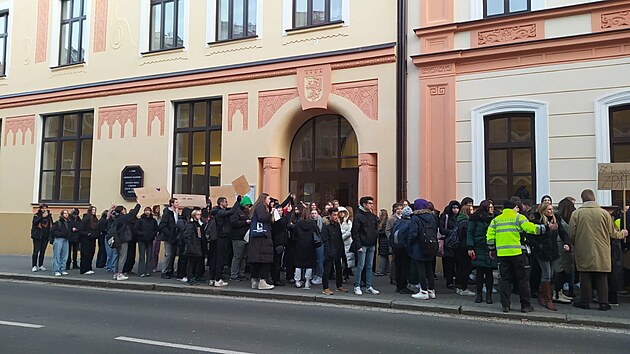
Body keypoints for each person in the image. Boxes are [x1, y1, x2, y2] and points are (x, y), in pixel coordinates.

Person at [568, 189, 627, 311]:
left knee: (585, 275)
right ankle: (603, 303)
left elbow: (571, 234)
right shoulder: (604, 213)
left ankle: (585, 301)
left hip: (583, 249)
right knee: (602, 276)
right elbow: (612, 233)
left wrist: (576, 244)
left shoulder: (577, 214)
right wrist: (623, 233)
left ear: (582, 199)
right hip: (602, 250)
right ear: (594, 198)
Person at [487, 200, 548, 313]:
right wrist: (545, 228)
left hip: (502, 254)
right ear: (514, 207)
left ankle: (505, 305)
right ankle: (525, 306)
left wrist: (492, 249)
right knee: (523, 280)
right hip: (518, 253)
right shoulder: (518, 218)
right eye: (517, 207)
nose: (518, 209)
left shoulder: (496, 220)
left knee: (504, 280)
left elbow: (490, 237)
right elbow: (530, 228)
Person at [530, 202, 571, 311]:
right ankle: (548, 299)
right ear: (543, 210)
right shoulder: (537, 220)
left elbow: (562, 232)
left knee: (552, 274)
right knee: (547, 274)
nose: (551, 211)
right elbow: (531, 236)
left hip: (553, 251)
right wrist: (537, 246)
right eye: (548, 209)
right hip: (542, 252)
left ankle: (543, 296)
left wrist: (566, 243)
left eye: (551, 209)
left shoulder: (556, 219)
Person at [467, 200, 497, 304]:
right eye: (490, 206)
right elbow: (470, 232)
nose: (492, 208)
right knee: (479, 273)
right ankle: (479, 295)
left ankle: (489, 296)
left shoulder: (494, 218)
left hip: (490, 247)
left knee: (489, 273)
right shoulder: (475, 218)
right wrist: (470, 247)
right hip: (478, 247)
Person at [409, 199, 437, 300]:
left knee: (421, 270)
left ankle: (423, 291)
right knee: (429, 270)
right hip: (431, 245)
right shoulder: (432, 217)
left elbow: (413, 233)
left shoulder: (415, 218)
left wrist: (410, 244)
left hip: (418, 246)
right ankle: (431, 290)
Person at [351, 196, 380, 296]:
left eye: (372, 203)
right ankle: (357, 286)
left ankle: (368, 286)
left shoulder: (372, 215)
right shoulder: (359, 216)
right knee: (361, 265)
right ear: (364, 204)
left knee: (369, 266)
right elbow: (355, 232)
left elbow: (375, 229)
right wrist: (358, 245)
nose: (372, 205)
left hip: (371, 244)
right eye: (370, 203)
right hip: (363, 244)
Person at [248, 193, 275, 290]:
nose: (269, 201)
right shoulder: (261, 207)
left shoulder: (257, 207)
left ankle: (255, 281)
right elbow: (262, 218)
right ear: (264, 199)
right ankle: (263, 281)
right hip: (262, 238)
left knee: (256, 261)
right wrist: (271, 213)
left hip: (257, 238)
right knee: (265, 260)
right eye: (268, 199)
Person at [209, 197, 239, 287]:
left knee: (214, 259)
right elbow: (230, 212)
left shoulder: (215, 211)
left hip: (215, 238)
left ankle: (212, 278)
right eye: (225, 202)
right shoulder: (220, 212)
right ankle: (218, 279)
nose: (227, 203)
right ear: (221, 203)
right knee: (220, 259)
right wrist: (238, 202)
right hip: (221, 237)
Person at [321, 208, 348, 294]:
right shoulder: (326, 226)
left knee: (339, 268)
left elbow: (339, 238)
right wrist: (329, 251)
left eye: (337, 215)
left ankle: (339, 285)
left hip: (338, 249)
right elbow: (325, 240)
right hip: (329, 250)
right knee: (327, 270)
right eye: (334, 215)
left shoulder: (337, 225)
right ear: (329, 215)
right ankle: (325, 288)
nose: (336, 217)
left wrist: (342, 250)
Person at [555, 197, 576, 302]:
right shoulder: (561, 220)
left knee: (564, 270)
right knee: (560, 270)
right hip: (561, 247)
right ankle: (557, 293)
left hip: (562, 246)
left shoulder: (559, 218)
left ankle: (560, 292)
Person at [292, 209, 319, 289]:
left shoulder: (298, 223)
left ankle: (297, 281)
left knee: (298, 264)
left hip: (299, 245)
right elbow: (317, 233)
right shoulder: (313, 223)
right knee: (309, 265)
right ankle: (307, 281)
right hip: (310, 246)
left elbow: (294, 235)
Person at [113, 203, 141, 281]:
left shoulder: (117, 218)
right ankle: (119, 274)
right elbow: (133, 214)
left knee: (118, 257)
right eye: (124, 209)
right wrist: (138, 204)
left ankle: (116, 273)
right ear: (122, 211)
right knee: (122, 257)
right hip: (123, 239)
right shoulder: (123, 218)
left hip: (117, 239)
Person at [439, 200, 461, 289]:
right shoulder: (446, 217)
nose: (455, 210)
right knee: (449, 263)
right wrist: (452, 232)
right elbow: (441, 229)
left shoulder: (460, 217)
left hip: (458, 244)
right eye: (454, 208)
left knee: (458, 263)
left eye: (457, 208)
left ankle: (457, 281)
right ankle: (449, 281)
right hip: (449, 243)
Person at [230, 195, 252, 281]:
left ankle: (241, 273)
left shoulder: (246, 212)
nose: (248, 207)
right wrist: (245, 222)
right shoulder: (236, 211)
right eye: (247, 205)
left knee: (244, 256)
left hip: (245, 237)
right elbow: (234, 223)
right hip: (237, 237)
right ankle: (234, 275)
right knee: (237, 256)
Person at [393, 206, 414, 294]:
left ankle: (398, 286)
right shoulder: (410, 223)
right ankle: (403, 286)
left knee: (398, 266)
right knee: (405, 267)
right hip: (405, 248)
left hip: (397, 247)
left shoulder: (398, 222)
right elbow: (411, 236)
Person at [455, 205, 475, 296]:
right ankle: (463, 287)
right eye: (470, 210)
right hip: (465, 247)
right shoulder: (466, 222)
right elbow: (468, 235)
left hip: (459, 247)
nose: (473, 211)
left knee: (460, 267)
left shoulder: (459, 219)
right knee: (465, 268)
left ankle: (459, 287)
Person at [134, 207, 158, 277]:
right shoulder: (140, 220)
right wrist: (142, 234)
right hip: (142, 240)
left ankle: (148, 271)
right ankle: (141, 271)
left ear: (150, 212)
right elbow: (135, 229)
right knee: (142, 256)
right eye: (146, 210)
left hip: (150, 240)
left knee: (149, 256)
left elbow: (156, 229)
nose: (147, 212)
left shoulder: (153, 221)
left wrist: (152, 235)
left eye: (148, 211)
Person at [182, 210, 204, 285]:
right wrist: (190, 245)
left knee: (197, 262)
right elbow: (187, 236)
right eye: (198, 215)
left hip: (197, 245)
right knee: (190, 263)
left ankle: (196, 277)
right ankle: (189, 278)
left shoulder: (198, 224)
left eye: (200, 214)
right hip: (192, 246)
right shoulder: (191, 225)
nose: (199, 216)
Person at [159, 198, 180, 279]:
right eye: (176, 202)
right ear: (172, 203)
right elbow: (162, 226)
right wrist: (169, 234)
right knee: (168, 254)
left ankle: (169, 270)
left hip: (174, 237)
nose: (178, 204)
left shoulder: (176, 212)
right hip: (168, 237)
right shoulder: (167, 213)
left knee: (173, 254)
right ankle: (164, 271)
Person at [385, 203, 403, 285]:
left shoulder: (403, 218)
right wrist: (391, 239)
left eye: (401, 209)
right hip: (394, 242)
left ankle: (400, 277)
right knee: (394, 260)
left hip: (402, 242)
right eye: (398, 209)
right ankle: (393, 277)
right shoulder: (392, 219)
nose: (400, 210)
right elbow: (387, 230)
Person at [31, 204, 52, 272]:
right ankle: (34, 265)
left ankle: (40, 265)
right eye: (43, 208)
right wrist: (42, 217)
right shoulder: (36, 215)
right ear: (40, 209)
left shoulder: (49, 216)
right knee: (36, 251)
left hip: (45, 237)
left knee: (43, 251)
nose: (44, 209)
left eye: (45, 208)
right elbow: (35, 222)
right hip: (37, 236)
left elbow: (51, 224)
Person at [51, 210, 72, 276]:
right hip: (58, 239)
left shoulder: (68, 222)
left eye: (67, 213)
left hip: (66, 239)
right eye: (64, 213)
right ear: (62, 214)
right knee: (57, 255)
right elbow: (53, 231)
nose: (66, 214)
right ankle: (56, 270)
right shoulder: (58, 222)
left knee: (65, 255)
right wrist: (61, 234)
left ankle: (62, 269)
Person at [79, 206, 100, 275]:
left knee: (91, 253)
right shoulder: (86, 218)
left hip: (92, 238)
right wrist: (88, 234)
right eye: (93, 210)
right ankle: (84, 269)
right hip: (86, 239)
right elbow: (81, 230)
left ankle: (89, 267)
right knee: (86, 254)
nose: (94, 211)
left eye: (95, 210)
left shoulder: (94, 218)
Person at [339, 206, 354, 280]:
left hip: (347, 242)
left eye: (343, 212)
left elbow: (350, 231)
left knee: (347, 259)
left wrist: (342, 235)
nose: (342, 214)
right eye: (340, 212)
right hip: (339, 243)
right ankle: (341, 274)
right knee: (340, 259)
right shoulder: (337, 222)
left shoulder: (348, 222)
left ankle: (346, 274)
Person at [375, 209, 390, 277]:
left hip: (384, 241)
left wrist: (377, 232)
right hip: (383, 241)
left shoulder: (385, 222)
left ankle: (381, 270)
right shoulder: (383, 221)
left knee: (383, 256)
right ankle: (387, 269)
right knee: (385, 256)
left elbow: (384, 232)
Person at [150, 205, 162, 273]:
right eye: (156, 208)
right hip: (153, 235)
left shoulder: (160, 217)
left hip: (158, 235)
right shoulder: (152, 217)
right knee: (152, 251)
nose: (158, 209)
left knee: (156, 252)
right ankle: (151, 265)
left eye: (159, 208)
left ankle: (155, 266)